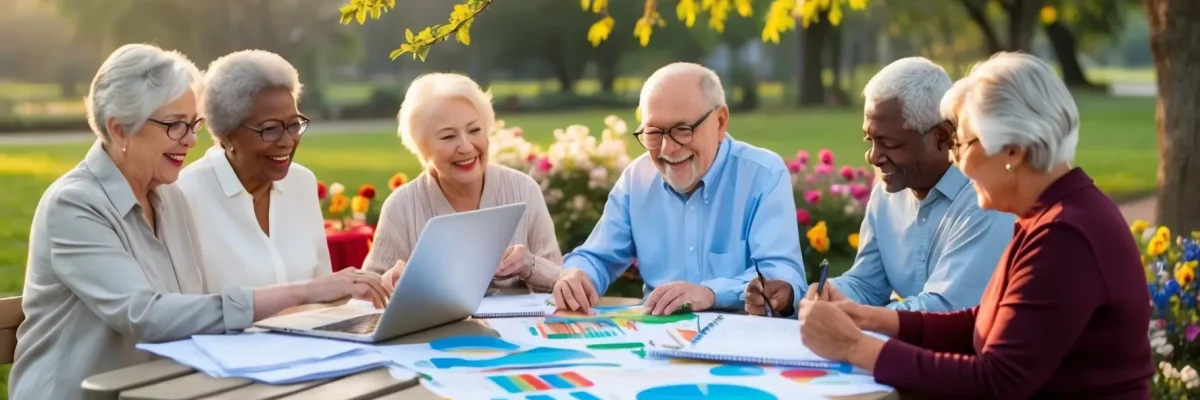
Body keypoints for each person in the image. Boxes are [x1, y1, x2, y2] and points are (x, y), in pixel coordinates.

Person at [10, 44, 391, 400]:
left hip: (161, 389)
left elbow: (193, 307)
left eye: (193, 124)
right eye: (175, 125)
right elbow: (148, 316)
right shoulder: (75, 204)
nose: (191, 140)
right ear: (119, 129)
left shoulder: (170, 197)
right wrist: (305, 291)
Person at [796, 52, 1152, 398]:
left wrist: (854, 346)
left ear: (1012, 151)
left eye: (964, 143)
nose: (956, 160)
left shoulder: (1066, 236)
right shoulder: (1052, 216)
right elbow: (986, 322)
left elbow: (996, 381)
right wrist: (870, 319)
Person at [746, 57, 1014, 315]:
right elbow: (867, 285)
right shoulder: (889, 192)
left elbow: (944, 309)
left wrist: (848, 315)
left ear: (942, 137)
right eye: (870, 140)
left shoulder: (984, 199)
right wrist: (800, 299)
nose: (873, 157)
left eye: (890, 143)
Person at [551, 62, 807, 316]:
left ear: (720, 122)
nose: (667, 148)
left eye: (682, 130)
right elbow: (597, 257)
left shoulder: (763, 175)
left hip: (743, 341)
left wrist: (711, 293)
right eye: (653, 133)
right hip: (657, 341)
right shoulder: (636, 180)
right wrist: (577, 275)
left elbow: (781, 277)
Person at [364, 72, 562, 293]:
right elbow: (370, 293)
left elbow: (561, 281)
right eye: (448, 136)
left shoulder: (523, 190)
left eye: (475, 130)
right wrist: (390, 283)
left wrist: (530, 265)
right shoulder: (401, 206)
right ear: (423, 148)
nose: (466, 147)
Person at [176, 50, 332, 292]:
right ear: (227, 135)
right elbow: (184, 309)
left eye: (293, 125)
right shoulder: (185, 195)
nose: (288, 142)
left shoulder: (302, 183)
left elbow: (323, 289)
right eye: (270, 129)